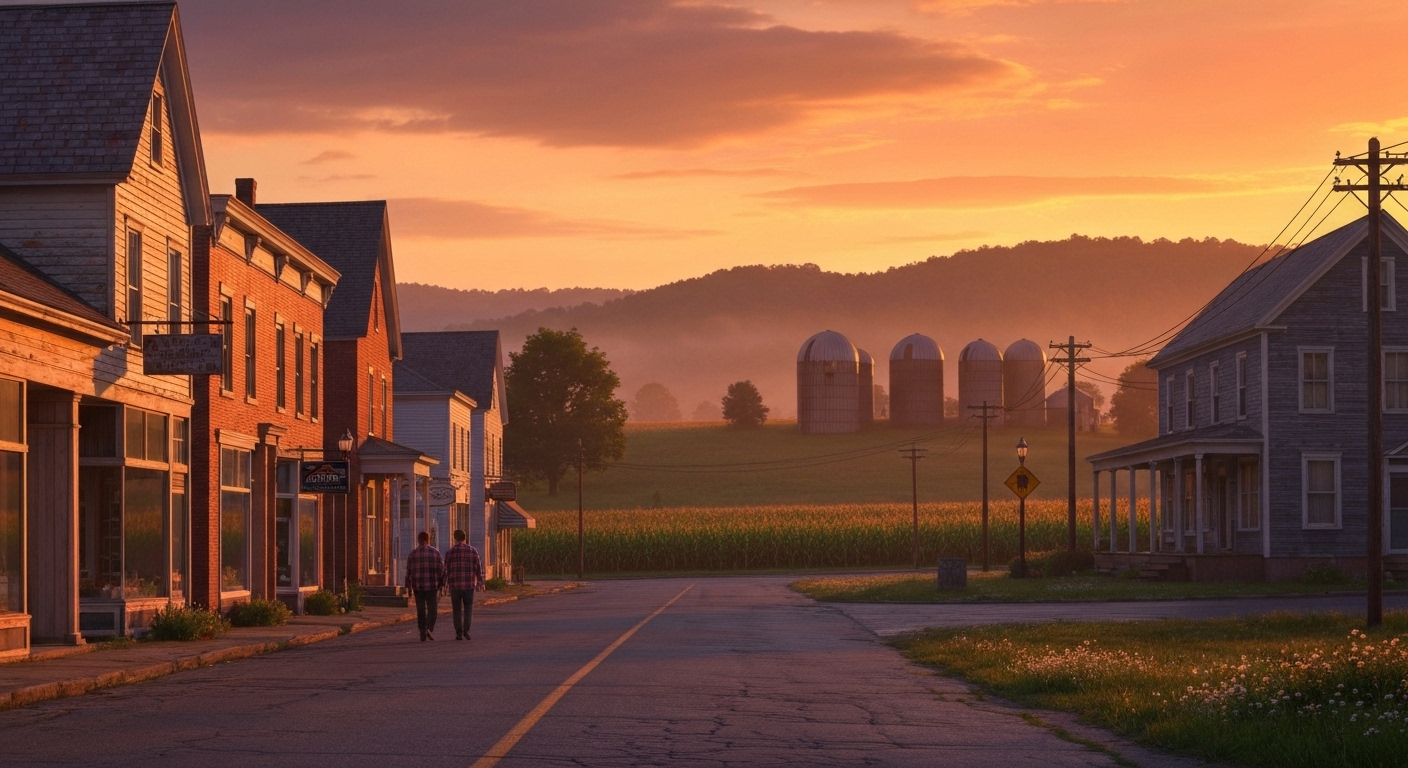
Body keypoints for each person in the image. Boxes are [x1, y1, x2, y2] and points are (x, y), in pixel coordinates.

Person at [404, 530, 445, 641]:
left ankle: (422, 629)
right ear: (428, 539)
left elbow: (408, 572)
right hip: (432, 585)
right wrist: (441, 584)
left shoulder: (413, 554)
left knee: (420, 609)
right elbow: (441, 570)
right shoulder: (435, 553)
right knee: (432, 609)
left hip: (418, 586)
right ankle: (428, 627)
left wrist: (408, 587)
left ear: (419, 540)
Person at [445, 529, 485, 640]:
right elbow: (478, 568)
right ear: (465, 538)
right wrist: (481, 582)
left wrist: (445, 584)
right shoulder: (473, 551)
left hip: (455, 586)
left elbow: (446, 570)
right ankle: (466, 630)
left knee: (456, 610)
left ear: (455, 538)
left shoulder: (450, 552)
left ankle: (458, 632)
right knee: (468, 608)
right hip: (469, 585)